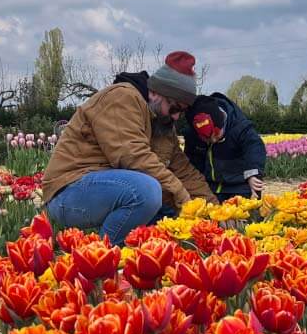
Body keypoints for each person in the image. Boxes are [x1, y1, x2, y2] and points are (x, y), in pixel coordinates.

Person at [42, 51, 215, 245]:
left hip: (109, 191)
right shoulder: (122, 98)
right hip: (69, 193)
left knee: (163, 219)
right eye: (174, 107)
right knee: (146, 191)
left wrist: (215, 213)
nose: (176, 117)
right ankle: (106, 256)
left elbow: (185, 172)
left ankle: (131, 255)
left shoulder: (162, 124)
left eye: (181, 112)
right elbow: (132, 156)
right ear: (155, 92)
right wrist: (182, 195)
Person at [183, 93, 268, 201]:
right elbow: (193, 162)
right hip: (210, 186)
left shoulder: (240, 127)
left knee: (242, 214)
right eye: (207, 139)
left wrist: (252, 174)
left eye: (216, 134)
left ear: (222, 119)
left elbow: (254, 148)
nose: (213, 140)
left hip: (240, 185)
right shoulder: (192, 136)